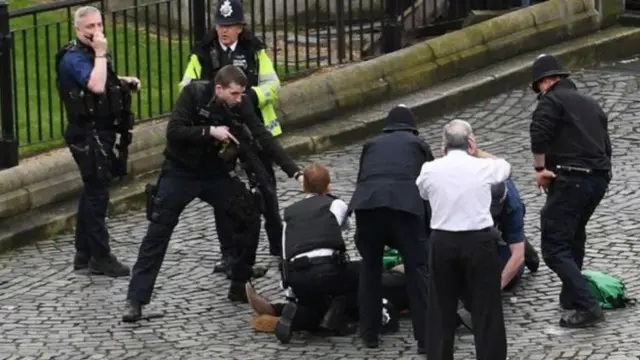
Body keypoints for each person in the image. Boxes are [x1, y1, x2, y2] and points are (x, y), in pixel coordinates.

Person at [121, 65, 302, 322]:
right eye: (235, 94)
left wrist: (295, 172)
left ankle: (240, 282)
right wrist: (210, 132)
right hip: (180, 170)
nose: (239, 100)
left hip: (215, 172)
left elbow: (264, 138)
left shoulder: (241, 104)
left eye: (241, 94)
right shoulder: (193, 94)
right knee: (158, 231)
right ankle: (135, 300)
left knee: (250, 213)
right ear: (219, 89)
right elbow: (174, 130)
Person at [181, 0, 284, 276]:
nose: (223, 31)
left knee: (266, 188)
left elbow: (273, 85)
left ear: (240, 28)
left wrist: (249, 98)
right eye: (220, 25)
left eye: (229, 26)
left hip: (253, 130)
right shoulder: (203, 52)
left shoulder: (254, 50)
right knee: (222, 195)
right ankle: (229, 253)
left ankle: (278, 244)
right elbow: (186, 87)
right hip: (220, 134)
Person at [56, 6, 140, 277]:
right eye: (89, 27)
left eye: (99, 25)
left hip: (99, 132)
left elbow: (103, 80)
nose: (96, 32)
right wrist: (102, 52)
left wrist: (123, 81)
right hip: (87, 135)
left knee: (92, 189)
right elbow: (95, 86)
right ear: (77, 30)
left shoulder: (92, 53)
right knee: (97, 194)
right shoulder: (74, 58)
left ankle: (83, 254)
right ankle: (100, 257)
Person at [529, 54, 611, 328]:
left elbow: (539, 134)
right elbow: (606, 147)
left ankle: (588, 306)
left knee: (553, 247)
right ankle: (571, 295)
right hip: (597, 180)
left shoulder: (550, 101)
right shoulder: (592, 104)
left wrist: (541, 170)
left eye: (540, 85)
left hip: (571, 178)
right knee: (574, 235)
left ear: (546, 82)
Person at [417, 119, 510, 360]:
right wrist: (476, 151)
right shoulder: (483, 167)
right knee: (486, 308)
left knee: (440, 308)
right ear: (470, 142)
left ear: (443, 145)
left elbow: (423, 192)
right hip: (479, 240)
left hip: (443, 241)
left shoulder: (429, 169)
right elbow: (505, 167)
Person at [348, 105, 433, 353]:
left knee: (370, 269)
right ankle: (425, 339)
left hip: (368, 206)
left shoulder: (371, 145)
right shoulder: (418, 144)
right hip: (405, 208)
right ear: (412, 127)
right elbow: (430, 185)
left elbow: (362, 178)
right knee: (418, 271)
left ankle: (369, 333)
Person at [272, 163, 360, 344]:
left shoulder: (290, 213)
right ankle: (339, 314)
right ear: (329, 186)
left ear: (303, 187)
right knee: (361, 272)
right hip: (327, 270)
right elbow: (346, 227)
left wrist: (288, 289)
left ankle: (295, 309)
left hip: (297, 275)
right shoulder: (335, 203)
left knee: (312, 299)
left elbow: (284, 250)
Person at [244, 263, 407, 335]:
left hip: (383, 290)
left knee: (336, 302)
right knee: (335, 295)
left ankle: (278, 311)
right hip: (381, 281)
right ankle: (279, 311)